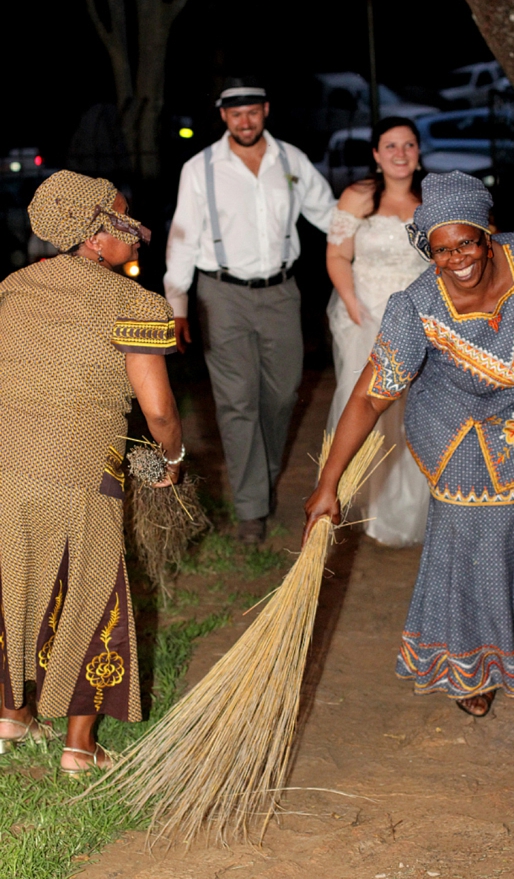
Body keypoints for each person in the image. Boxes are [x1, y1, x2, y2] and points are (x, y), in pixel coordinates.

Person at [304, 170, 514, 718]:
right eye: (441, 251)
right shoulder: (416, 307)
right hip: (461, 427)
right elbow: (371, 397)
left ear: (488, 233)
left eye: (466, 243)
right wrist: (328, 482)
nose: (456, 260)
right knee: (473, 539)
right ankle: (471, 664)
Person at [0, 170, 182, 772]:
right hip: (82, 467)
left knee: (14, 575)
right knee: (91, 586)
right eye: (123, 219)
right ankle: (79, 746)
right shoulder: (135, 303)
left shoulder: (14, 288)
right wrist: (172, 460)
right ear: (93, 236)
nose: (136, 230)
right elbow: (157, 409)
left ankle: (11, 714)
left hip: (8, 460)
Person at [164, 77, 336, 544]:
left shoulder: (291, 162)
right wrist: (177, 303)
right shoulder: (200, 169)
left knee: (280, 397)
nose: (245, 121)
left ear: (265, 110)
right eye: (235, 113)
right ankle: (251, 511)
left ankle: (262, 478)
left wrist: (382, 227)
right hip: (222, 296)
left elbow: (330, 215)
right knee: (238, 402)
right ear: (223, 116)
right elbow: (181, 238)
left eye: (253, 111)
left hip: (282, 292)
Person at [326, 117, 430, 546]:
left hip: (424, 319)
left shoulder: (433, 200)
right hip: (368, 316)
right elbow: (336, 257)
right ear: (375, 154)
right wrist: (354, 306)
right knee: (370, 409)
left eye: (408, 145)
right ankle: (370, 505)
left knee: (418, 415)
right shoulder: (357, 196)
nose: (400, 154)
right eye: (391, 146)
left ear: (419, 151)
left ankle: (418, 508)